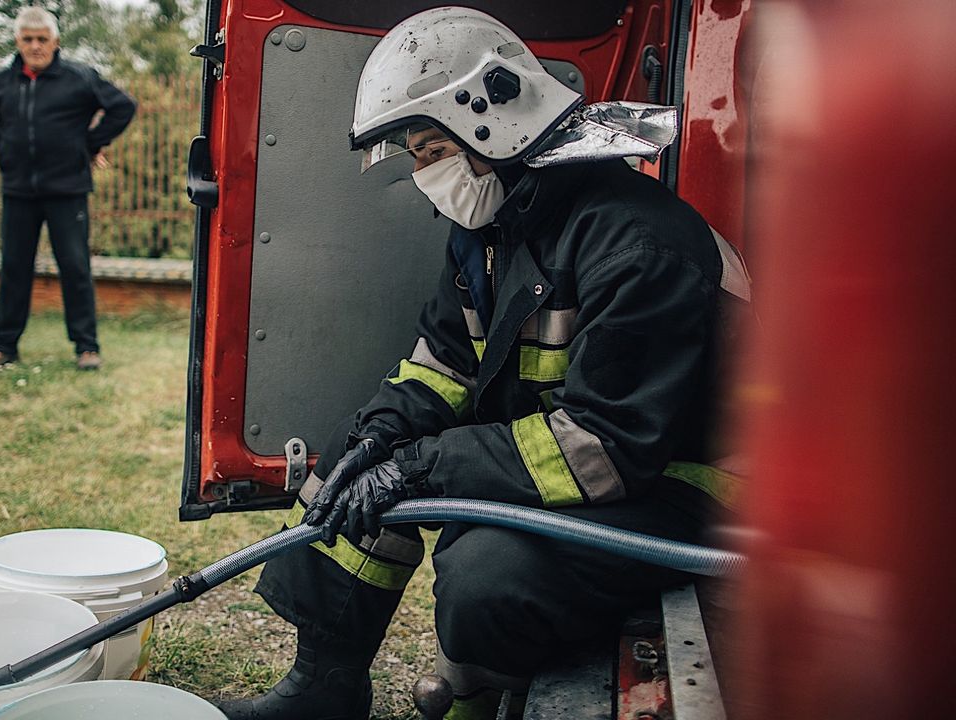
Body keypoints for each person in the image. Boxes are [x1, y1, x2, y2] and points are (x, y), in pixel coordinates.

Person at [216, 7, 750, 720]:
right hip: (600, 461)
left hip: (688, 488)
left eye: (432, 151)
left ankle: (478, 702)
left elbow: (604, 451)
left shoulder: (637, 243)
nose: (426, 176)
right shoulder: (493, 229)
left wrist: (420, 467)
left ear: (492, 122)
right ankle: (324, 683)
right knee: (357, 453)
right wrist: (379, 436)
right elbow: (440, 369)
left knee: (486, 573)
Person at [0, 7, 136, 373]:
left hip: (67, 189)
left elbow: (122, 106)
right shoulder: (1, 80)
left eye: (43, 39)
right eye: (28, 39)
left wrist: (88, 144)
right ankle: (3, 347)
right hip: (18, 191)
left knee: (74, 267)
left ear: (56, 42)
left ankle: (86, 347)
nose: (36, 46)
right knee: (14, 268)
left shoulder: (79, 77)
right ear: (17, 42)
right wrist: (3, 144)